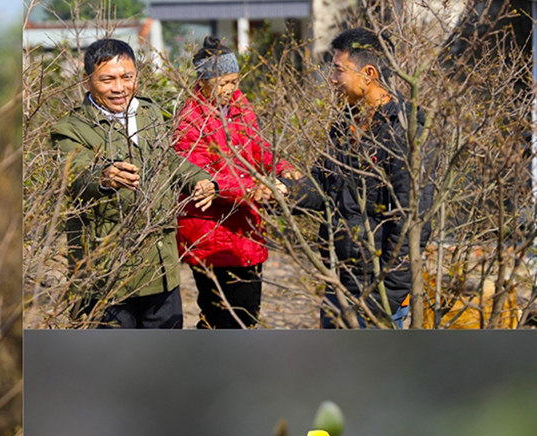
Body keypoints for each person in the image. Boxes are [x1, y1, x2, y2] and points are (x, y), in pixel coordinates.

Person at [51, 37, 217, 329]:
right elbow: (73, 175)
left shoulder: (149, 113)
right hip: (105, 273)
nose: (119, 88)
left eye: (127, 77)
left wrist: (200, 180)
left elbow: (167, 160)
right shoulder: (70, 128)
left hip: (159, 266)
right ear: (87, 80)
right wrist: (103, 176)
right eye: (107, 79)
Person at [284, 27, 435, 328]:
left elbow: (411, 224)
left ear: (369, 73)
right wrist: (284, 192)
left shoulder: (407, 134)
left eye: (339, 70)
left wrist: (385, 298)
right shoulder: (344, 124)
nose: (333, 79)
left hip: (377, 291)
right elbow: (322, 183)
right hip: (339, 280)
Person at [173, 36, 300, 329]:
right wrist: (250, 189)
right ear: (203, 81)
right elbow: (201, 175)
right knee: (219, 316)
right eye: (223, 83)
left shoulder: (241, 107)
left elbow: (259, 149)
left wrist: (281, 167)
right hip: (210, 231)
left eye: (234, 81)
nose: (231, 89)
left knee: (247, 313)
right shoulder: (191, 120)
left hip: (246, 226)